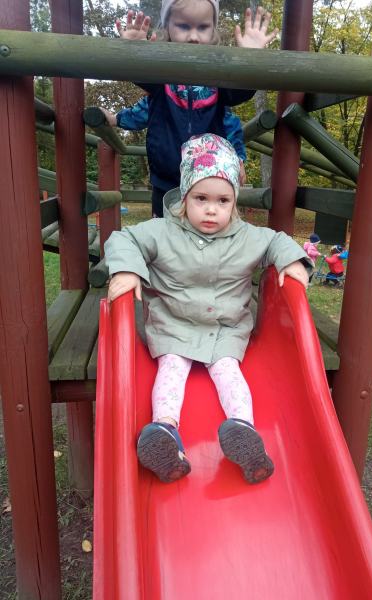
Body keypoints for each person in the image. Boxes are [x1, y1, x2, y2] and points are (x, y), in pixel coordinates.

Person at [105, 134, 313, 485]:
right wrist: (127, 269)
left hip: (225, 328)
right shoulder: (163, 232)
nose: (212, 209)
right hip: (175, 325)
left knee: (229, 371)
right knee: (171, 369)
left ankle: (244, 431)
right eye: (201, 198)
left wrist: (292, 261)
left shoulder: (247, 236)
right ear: (185, 197)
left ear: (235, 202)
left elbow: (277, 240)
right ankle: (165, 431)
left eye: (223, 200)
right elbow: (124, 239)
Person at [101, 2, 277, 216]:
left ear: (213, 30)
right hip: (166, 179)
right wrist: (135, 52)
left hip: (208, 179)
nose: (193, 37)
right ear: (167, 27)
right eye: (183, 26)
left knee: (205, 229)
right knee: (164, 231)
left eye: (203, 27)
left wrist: (249, 59)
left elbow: (235, 105)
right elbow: (144, 101)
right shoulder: (160, 75)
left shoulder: (219, 76)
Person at [104, 97, 247, 216]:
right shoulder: (162, 89)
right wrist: (115, 119)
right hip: (165, 178)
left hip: (206, 178)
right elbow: (143, 111)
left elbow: (229, 123)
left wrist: (238, 158)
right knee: (163, 228)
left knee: (204, 224)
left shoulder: (212, 90)